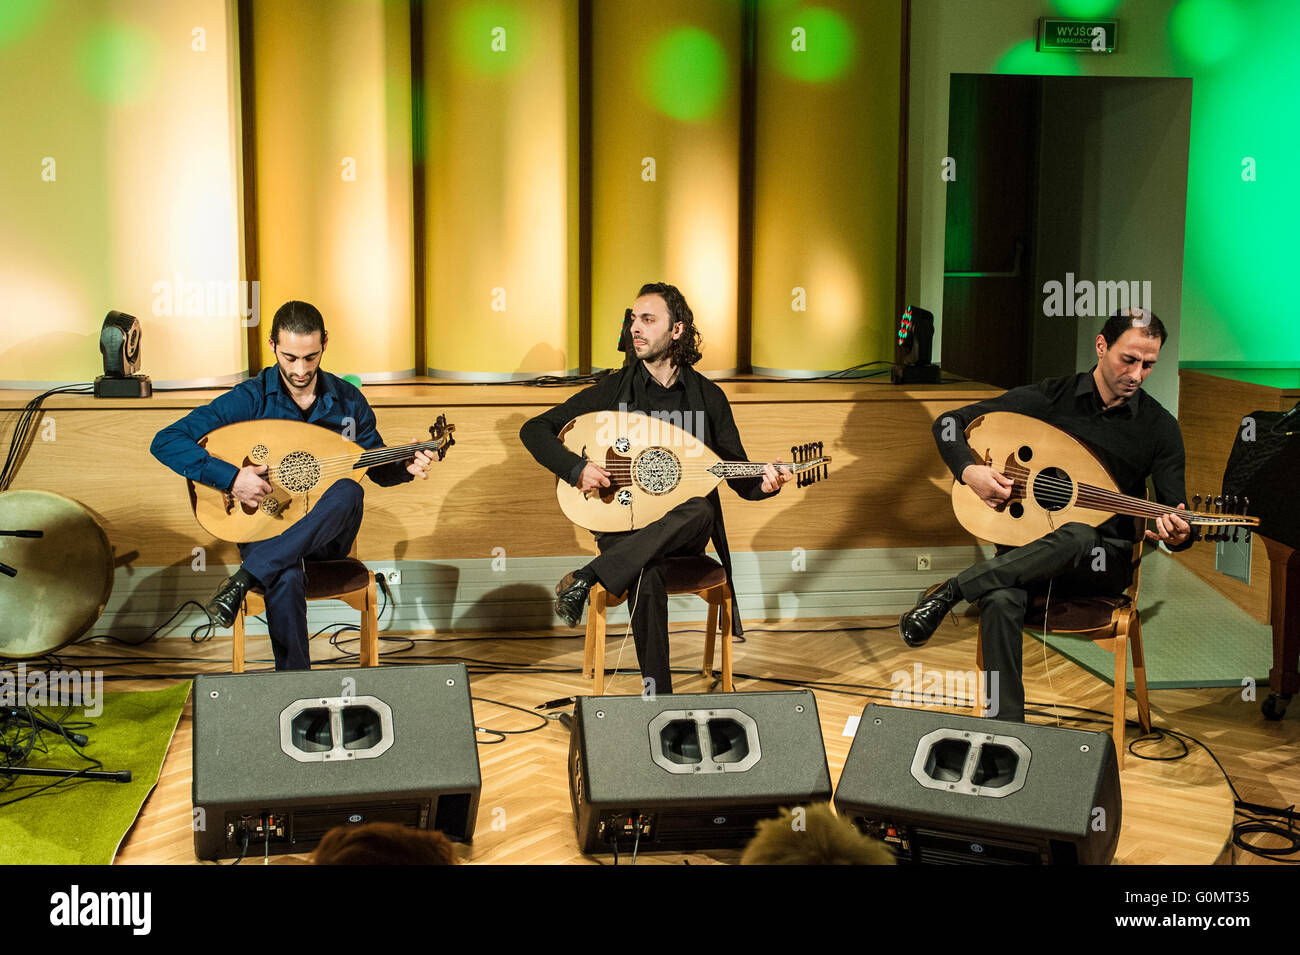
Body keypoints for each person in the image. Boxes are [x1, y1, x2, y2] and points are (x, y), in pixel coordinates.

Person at [898, 308, 1191, 722]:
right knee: (1000, 599)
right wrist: (970, 471)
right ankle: (1007, 733)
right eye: (1129, 360)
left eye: (1148, 365)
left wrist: (1177, 533)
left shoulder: (1159, 427)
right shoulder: (1051, 398)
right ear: (1101, 346)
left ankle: (951, 592)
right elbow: (948, 425)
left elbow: (1172, 511)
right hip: (1026, 556)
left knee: (1079, 535)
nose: (1138, 374)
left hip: (1098, 564)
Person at [519, 282, 790, 695]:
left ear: (677, 330)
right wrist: (575, 469)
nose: (635, 329)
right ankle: (659, 699)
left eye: (648, 320)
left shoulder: (708, 398)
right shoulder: (615, 390)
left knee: (700, 508)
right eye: (633, 319)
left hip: (685, 532)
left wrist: (767, 483)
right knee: (647, 571)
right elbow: (534, 429)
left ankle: (590, 576)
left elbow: (738, 476)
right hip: (621, 525)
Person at [151, 300, 434, 670]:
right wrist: (232, 478)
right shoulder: (249, 399)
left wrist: (405, 466)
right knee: (283, 574)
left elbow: (375, 467)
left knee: (350, 490)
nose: (300, 369)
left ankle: (246, 577)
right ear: (272, 346)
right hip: (264, 528)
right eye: (290, 358)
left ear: (325, 344)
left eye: (310, 357)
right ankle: (297, 689)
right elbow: (166, 441)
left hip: (326, 540)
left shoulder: (348, 401)